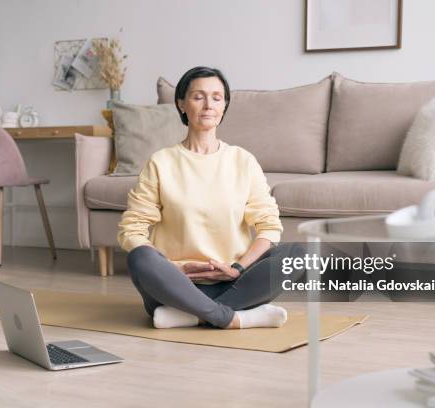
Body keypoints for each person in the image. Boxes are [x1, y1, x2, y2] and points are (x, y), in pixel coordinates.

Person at [117, 66, 304, 330]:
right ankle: (231, 318)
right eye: (198, 97)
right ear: (181, 104)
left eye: (217, 98)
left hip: (233, 282)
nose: (208, 105)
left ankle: (192, 315)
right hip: (175, 285)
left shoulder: (243, 160)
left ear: (224, 105)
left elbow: (270, 227)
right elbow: (132, 229)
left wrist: (238, 268)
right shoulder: (161, 162)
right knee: (139, 258)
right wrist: (172, 269)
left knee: (299, 253)